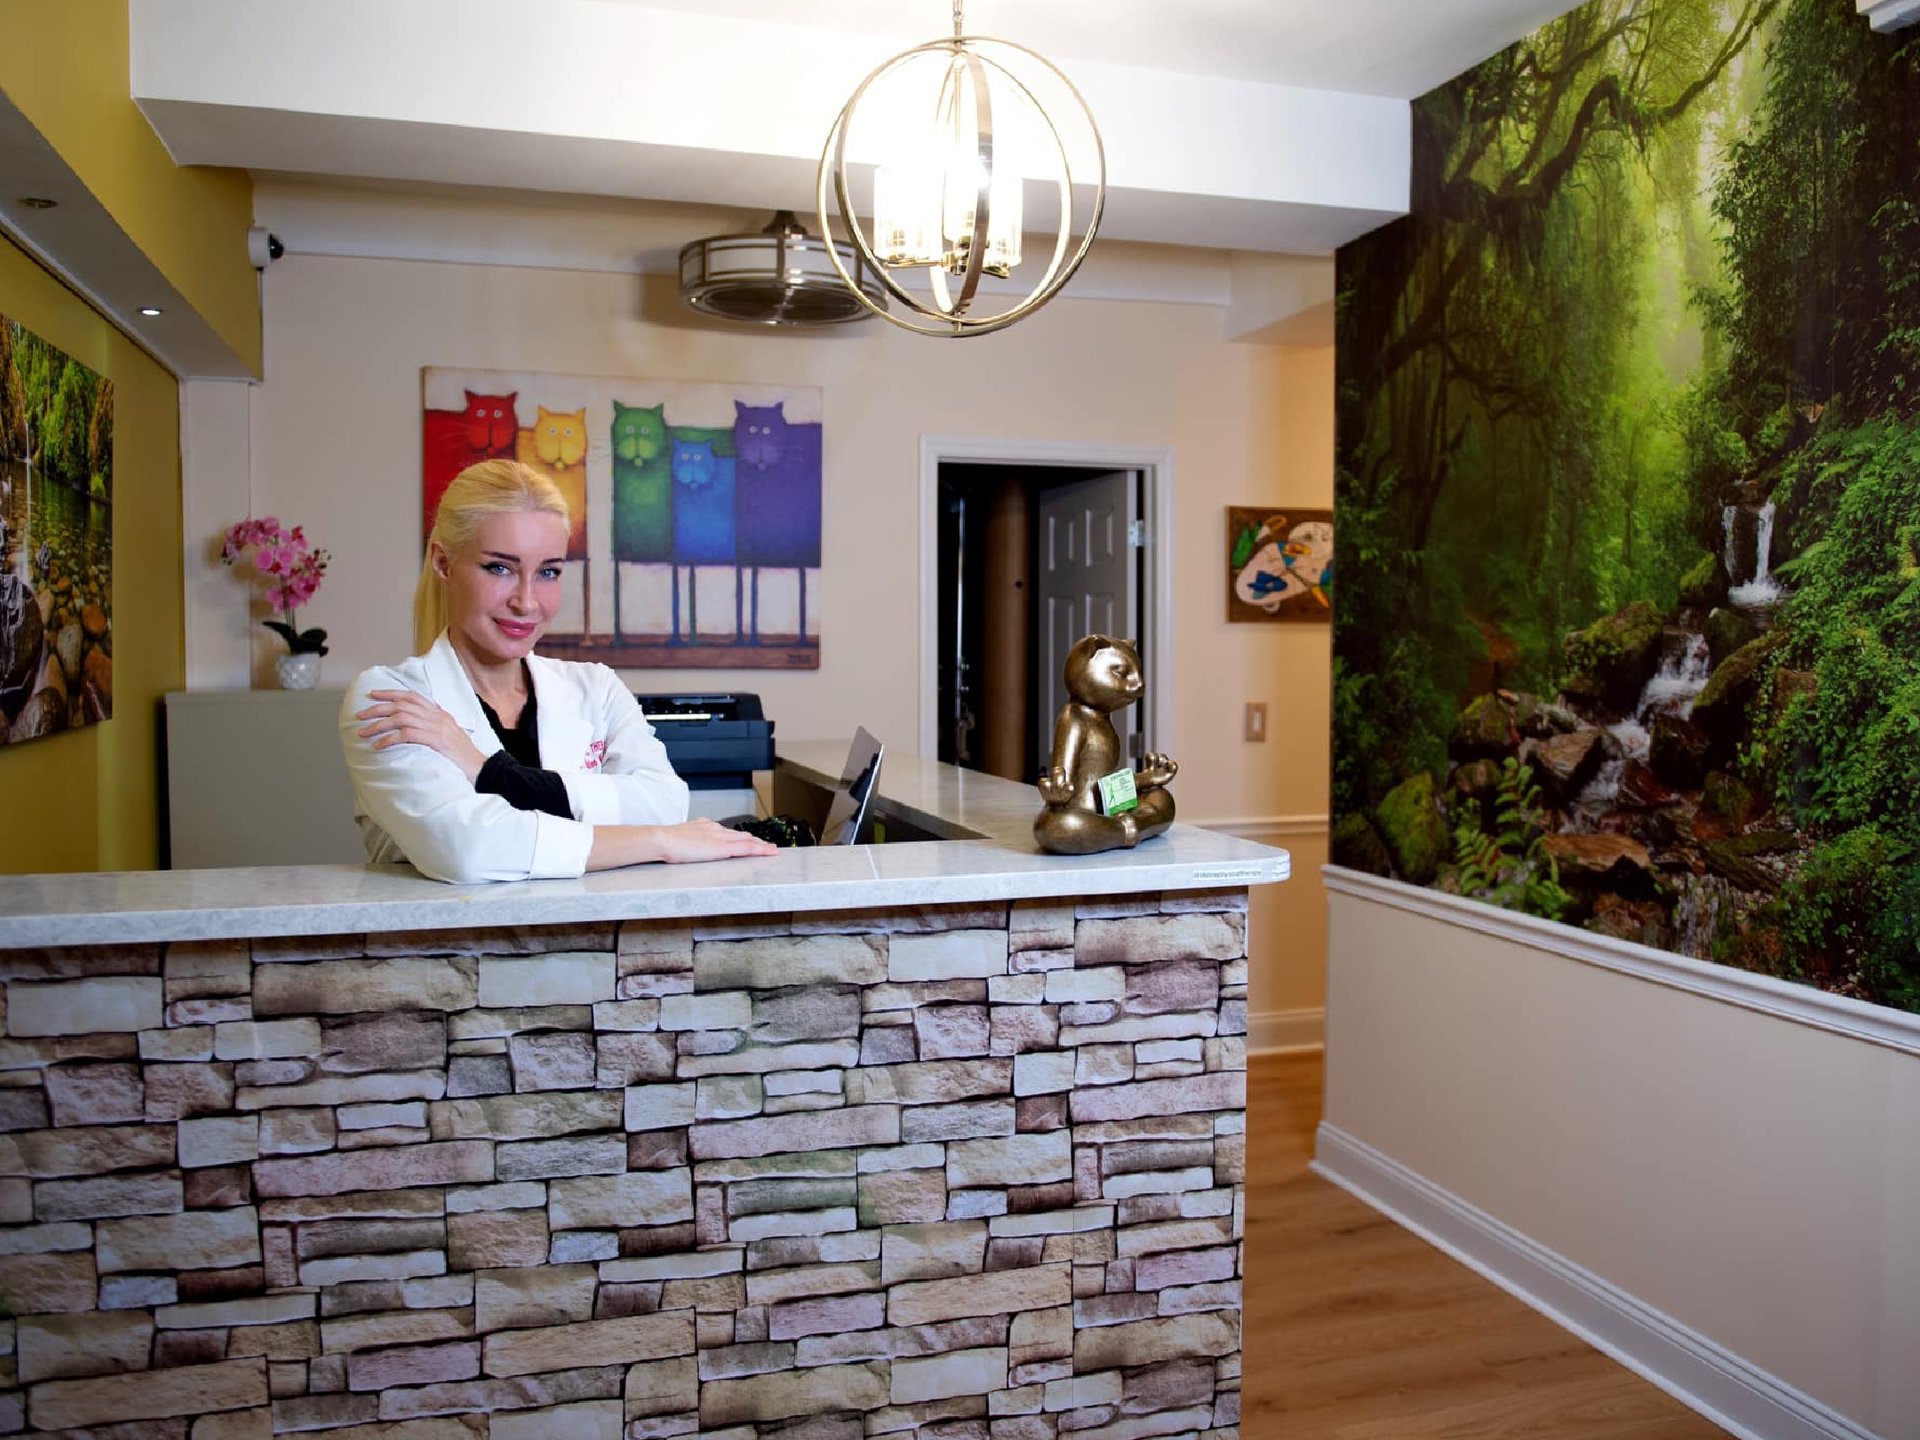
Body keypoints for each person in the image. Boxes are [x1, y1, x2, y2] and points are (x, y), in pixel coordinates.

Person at [341, 459, 775, 883]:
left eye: (548, 572)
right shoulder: (391, 697)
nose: (527, 602)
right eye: (500, 568)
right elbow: (470, 848)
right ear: (443, 562)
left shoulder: (596, 688)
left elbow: (664, 802)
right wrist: (660, 842)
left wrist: (489, 773)